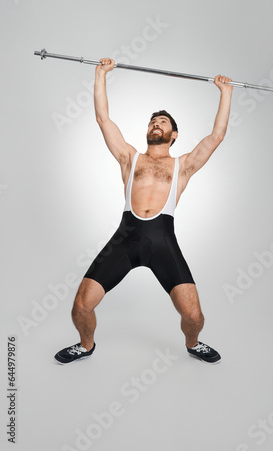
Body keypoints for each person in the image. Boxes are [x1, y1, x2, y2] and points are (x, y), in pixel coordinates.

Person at [55, 58, 233, 365]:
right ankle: (86, 346)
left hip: (163, 242)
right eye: (153, 121)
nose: (156, 124)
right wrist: (100, 75)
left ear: (174, 135)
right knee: (80, 306)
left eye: (163, 122)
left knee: (193, 315)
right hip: (126, 238)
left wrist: (225, 92)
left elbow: (216, 136)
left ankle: (193, 344)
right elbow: (103, 120)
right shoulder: (130, 158)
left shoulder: (183, 166)